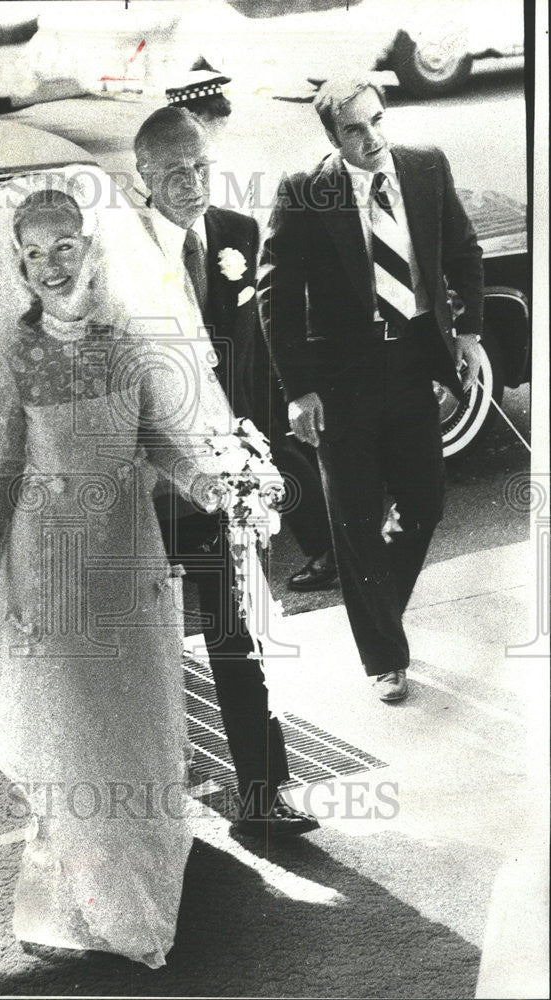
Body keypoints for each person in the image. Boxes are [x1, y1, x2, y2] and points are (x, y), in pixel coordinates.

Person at [0, 168, 282, 966]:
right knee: (73, 730)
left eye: (63, 246)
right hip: (51, 562)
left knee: (136, 719)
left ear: (89, 247)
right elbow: (3, 467)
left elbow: (154, 442)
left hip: (128, 549)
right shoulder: (19, 346)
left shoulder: (127, 340)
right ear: (19, 264)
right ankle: (87, 895)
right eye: (34, 253)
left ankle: (143, 872)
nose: (51, 264)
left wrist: (218, 483)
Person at [257, 77, 484, 702]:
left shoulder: (425, 168)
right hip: (341, 382)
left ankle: (376, 602)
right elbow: (275, 293)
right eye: (356, 129)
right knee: (355, 523)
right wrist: (300, 390)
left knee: (425, 506)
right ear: (333, 137)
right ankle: (384, 656)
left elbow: (464, 253)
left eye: (378, 121)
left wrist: (467, 336)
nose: (373, 138)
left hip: (414, 367)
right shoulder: (304, 192)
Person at [134, 106, 321, 834]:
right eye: (173, 171)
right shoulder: (118, 249)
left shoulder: (238, 235)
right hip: (144, 481)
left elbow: (254, 356)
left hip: (220, 476)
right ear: (142, 175)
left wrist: (255, 451)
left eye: (200, 166)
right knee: (140, 641)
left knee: (232, 633)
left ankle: (260, 795)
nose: (190, 182)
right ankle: (145, 801)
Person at [162, 73, 339, 594]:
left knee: (275, 451)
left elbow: (257, 270)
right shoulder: (189, 170)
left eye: (198, 120)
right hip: (201, 364)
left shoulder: (227, 179)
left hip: (243, 355)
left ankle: (328, 550)